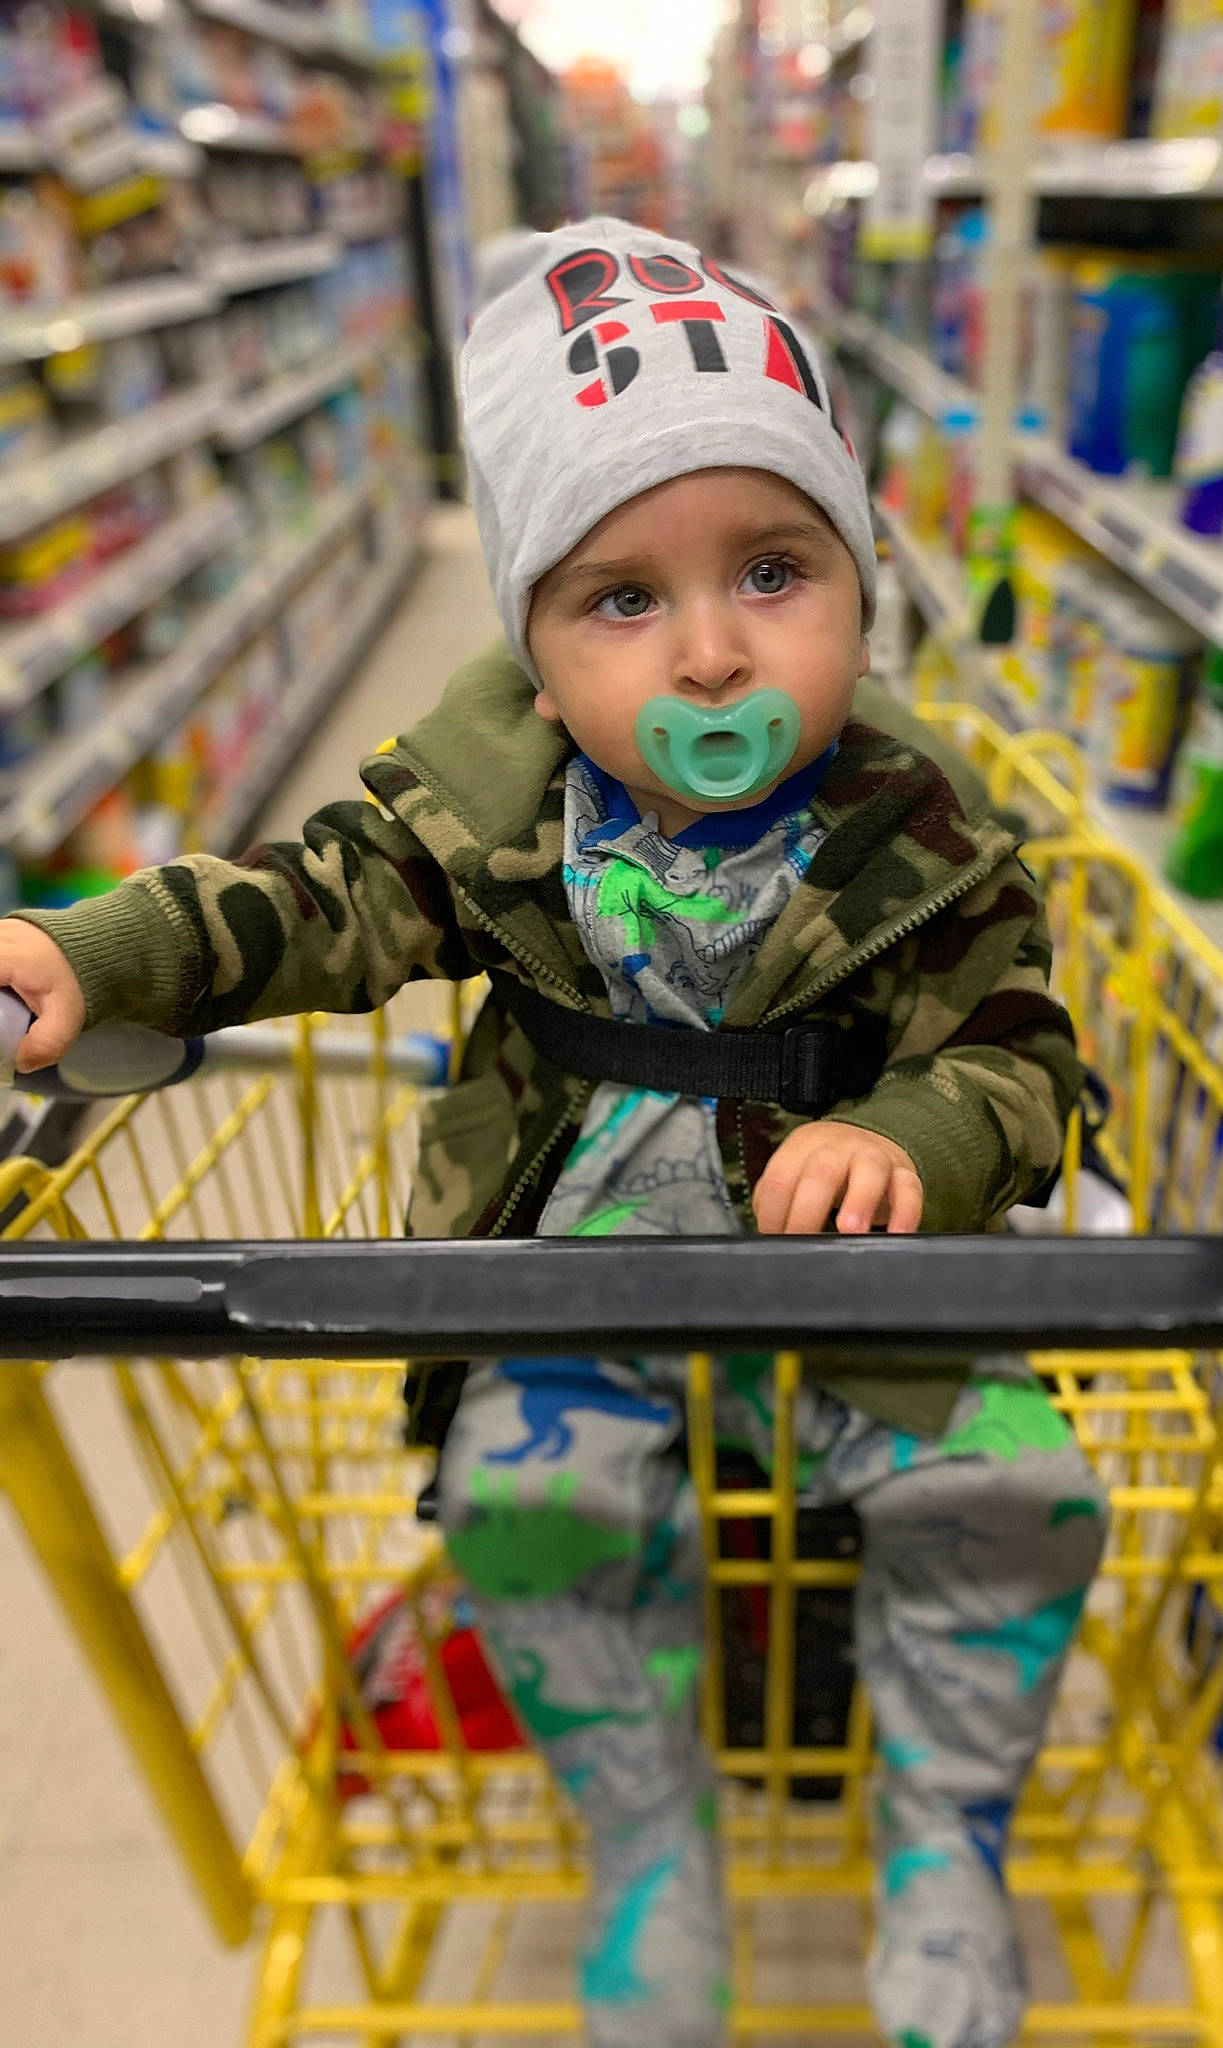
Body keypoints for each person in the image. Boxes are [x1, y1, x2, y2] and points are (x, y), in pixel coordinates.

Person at [0, 219, 1106, 2048]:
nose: (710, 654)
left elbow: (1024, 1051)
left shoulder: (923, 830)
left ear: (858, 575)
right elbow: (307, 901)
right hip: (569, 1271)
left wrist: (921, 1129)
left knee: (1016, 1491)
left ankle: (947, 1840)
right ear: (527, 638)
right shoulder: (491, 816)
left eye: (773, 567)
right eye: (621, 600)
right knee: (524, 1505)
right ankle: (651, 1848)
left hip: (855, 1291)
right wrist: (94, 950)